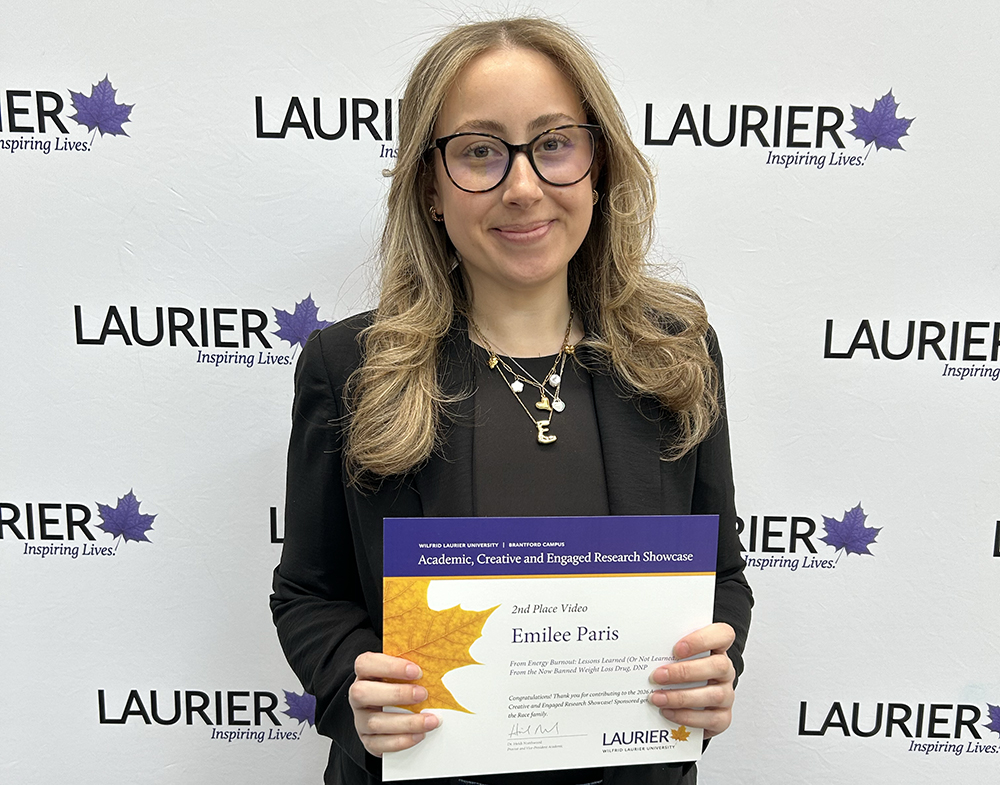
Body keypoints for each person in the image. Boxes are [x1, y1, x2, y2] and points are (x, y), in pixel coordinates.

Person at [271, 17, 752, 785]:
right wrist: (353, 686)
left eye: (554, 142)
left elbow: (721, 572)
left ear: (599, 165)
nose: (523, 186)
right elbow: (309, 593)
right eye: (479, 152)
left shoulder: (677, 353)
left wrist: (712, 668)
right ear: (430, 186)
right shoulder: (350, 367)